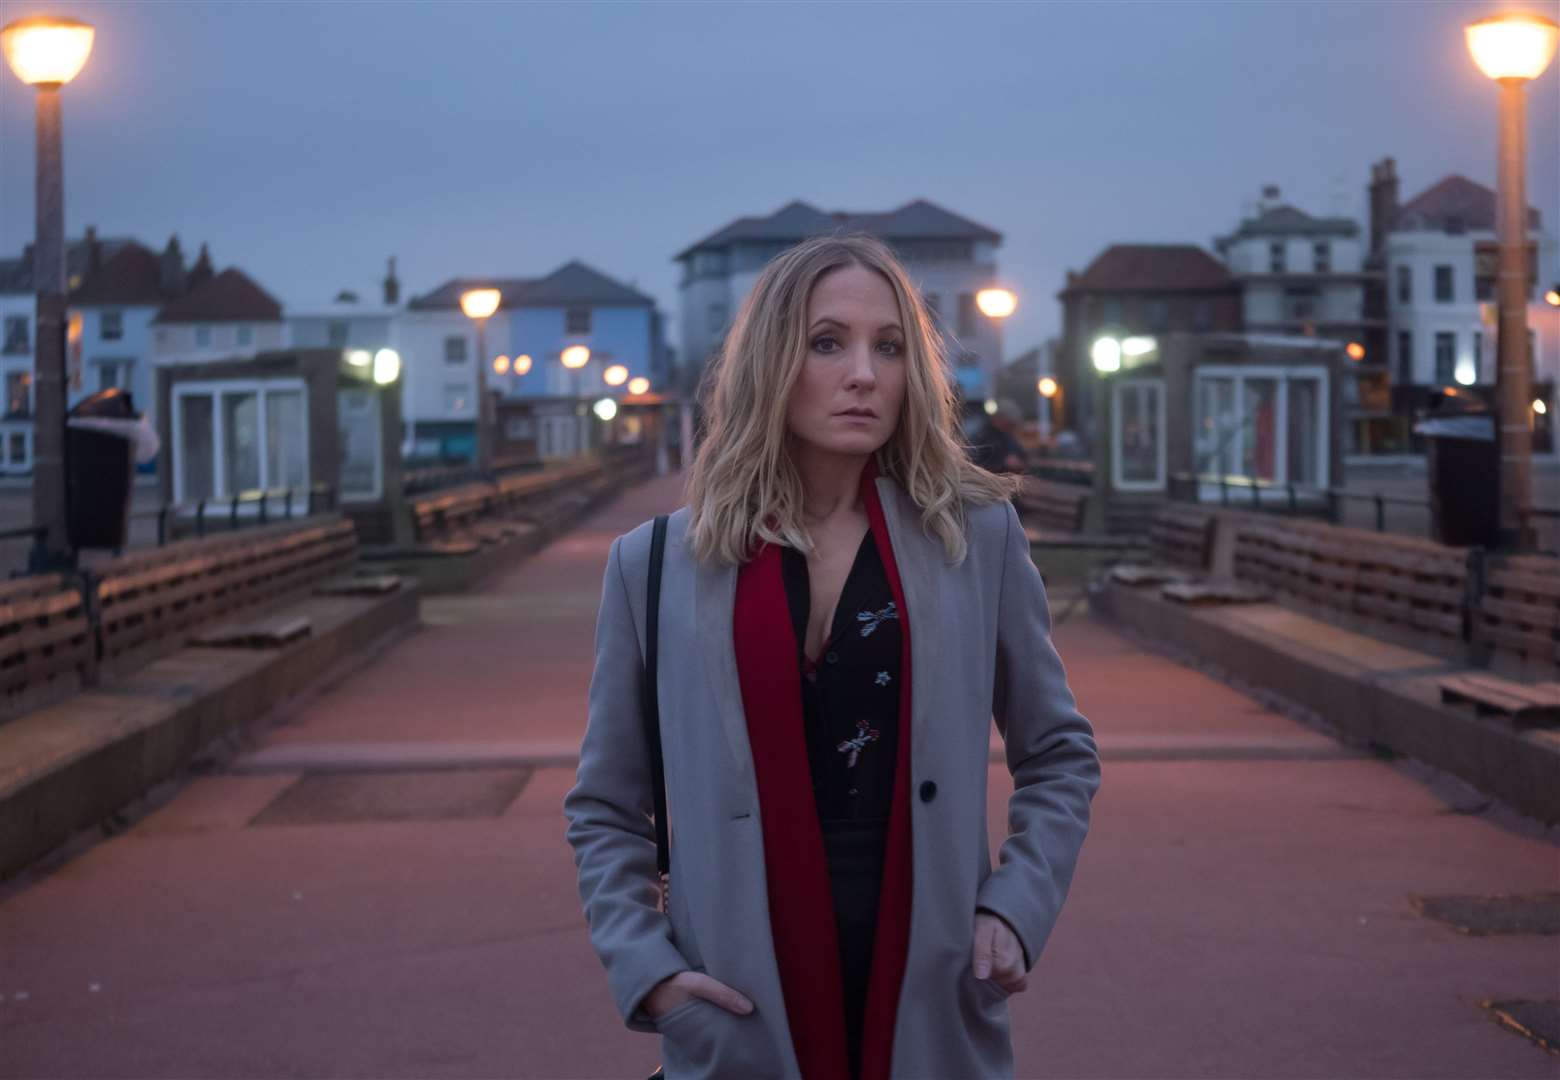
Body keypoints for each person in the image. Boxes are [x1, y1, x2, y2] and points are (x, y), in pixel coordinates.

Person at [564, 234, 1101, 1080]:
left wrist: (1017, 906)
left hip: (932, 984)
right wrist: (650, 971)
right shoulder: (655, 565)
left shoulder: (975, 541)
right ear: (772, 360)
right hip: (740, 1002)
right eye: (828, 342)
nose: (864, 373)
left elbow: (1060, 753)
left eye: (889, 347)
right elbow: (603, 804)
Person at [968, 398, 1028, 475]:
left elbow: (1022, 455)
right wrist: (1003, 463)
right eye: (1010, 423)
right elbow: (975, 463)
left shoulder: (1008, 436)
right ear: (999, 418)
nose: (1011, 426)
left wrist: (1019, 461)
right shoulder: (982, 436)